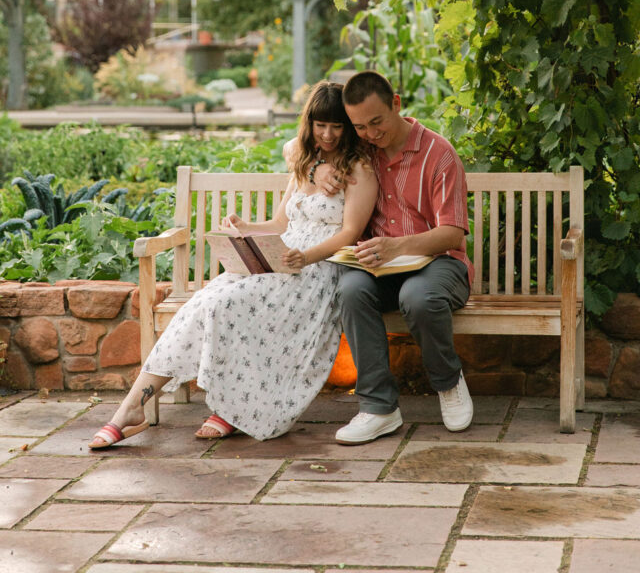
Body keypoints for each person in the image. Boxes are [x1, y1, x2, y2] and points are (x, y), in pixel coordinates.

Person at [89, 81, 377, 449]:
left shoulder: (358, 170)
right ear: (310, 123)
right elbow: (280, 224)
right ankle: (133, 406)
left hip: (318, 269)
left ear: (349, 127)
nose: (328, 134)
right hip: (283, 258)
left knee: (227, 304)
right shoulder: (308, 163)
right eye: (320, 125)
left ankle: (230, 408)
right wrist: (245, 228)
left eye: (337, 126)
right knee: (203, 302)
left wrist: (306, 257)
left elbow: (350, 233)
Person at [312, 70, 474, 445]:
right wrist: (319, 168)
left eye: (376, 122)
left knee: (417, 297)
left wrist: (397, 246)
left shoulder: (439, 154)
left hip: (440, 263)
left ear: (396, 104)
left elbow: (452, 234)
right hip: (379, 267)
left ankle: (448, 383)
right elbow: (298, 145)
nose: (369, 133)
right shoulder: (361, 149)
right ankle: (378, 408)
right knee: (350, 290)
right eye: (359, 126)